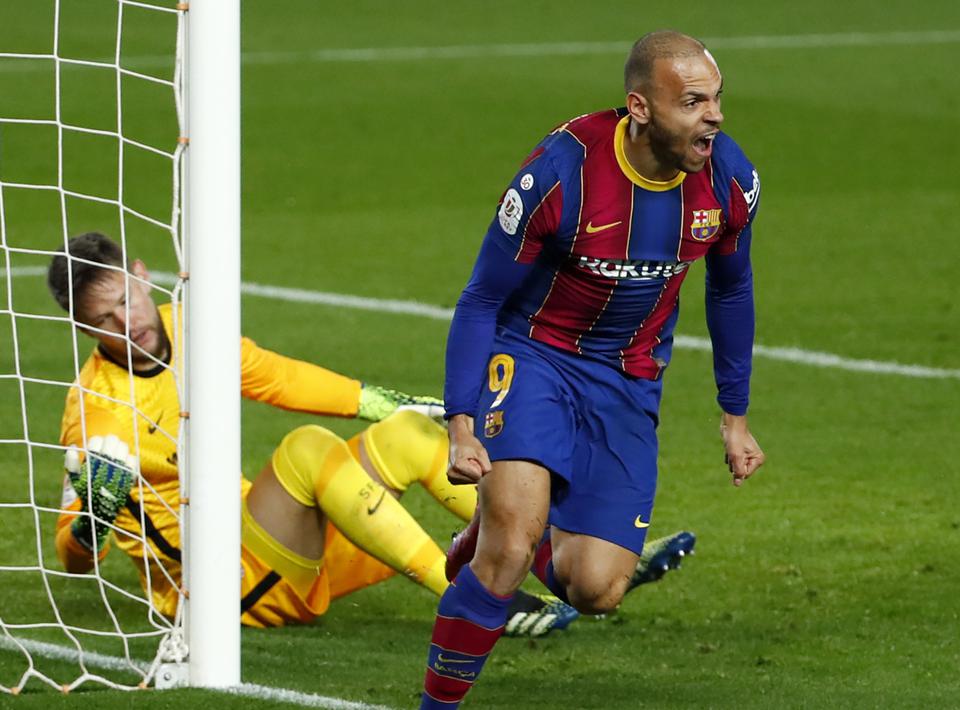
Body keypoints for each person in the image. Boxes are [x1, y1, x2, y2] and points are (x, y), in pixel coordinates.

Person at [420, 30, 765, 707]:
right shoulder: (560, 173)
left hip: (629, 378)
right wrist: (461, 424)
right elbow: (482, 298)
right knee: (510, 547)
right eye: (692, 102)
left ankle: (482, 536)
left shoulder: (728, 181)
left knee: (596, 588)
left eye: (716, 99)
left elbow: (730, 287)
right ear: (639, 107)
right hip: (533, 354)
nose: (714, 117)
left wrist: (734, 415)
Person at [48, 231, 623, 636]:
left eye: (127, 298)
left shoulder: (186, 328)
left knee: (407, 434)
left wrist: (380, 403)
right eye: (104, 318)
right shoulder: (94, 411)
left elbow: (274, 375)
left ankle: (560, 558)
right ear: (81, 326)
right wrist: (93, 520)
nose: (129, 321)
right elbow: (72, 559)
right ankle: (470, 600)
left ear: (143, 276)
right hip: (223, 587)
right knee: (305, 449)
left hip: (278, 545)